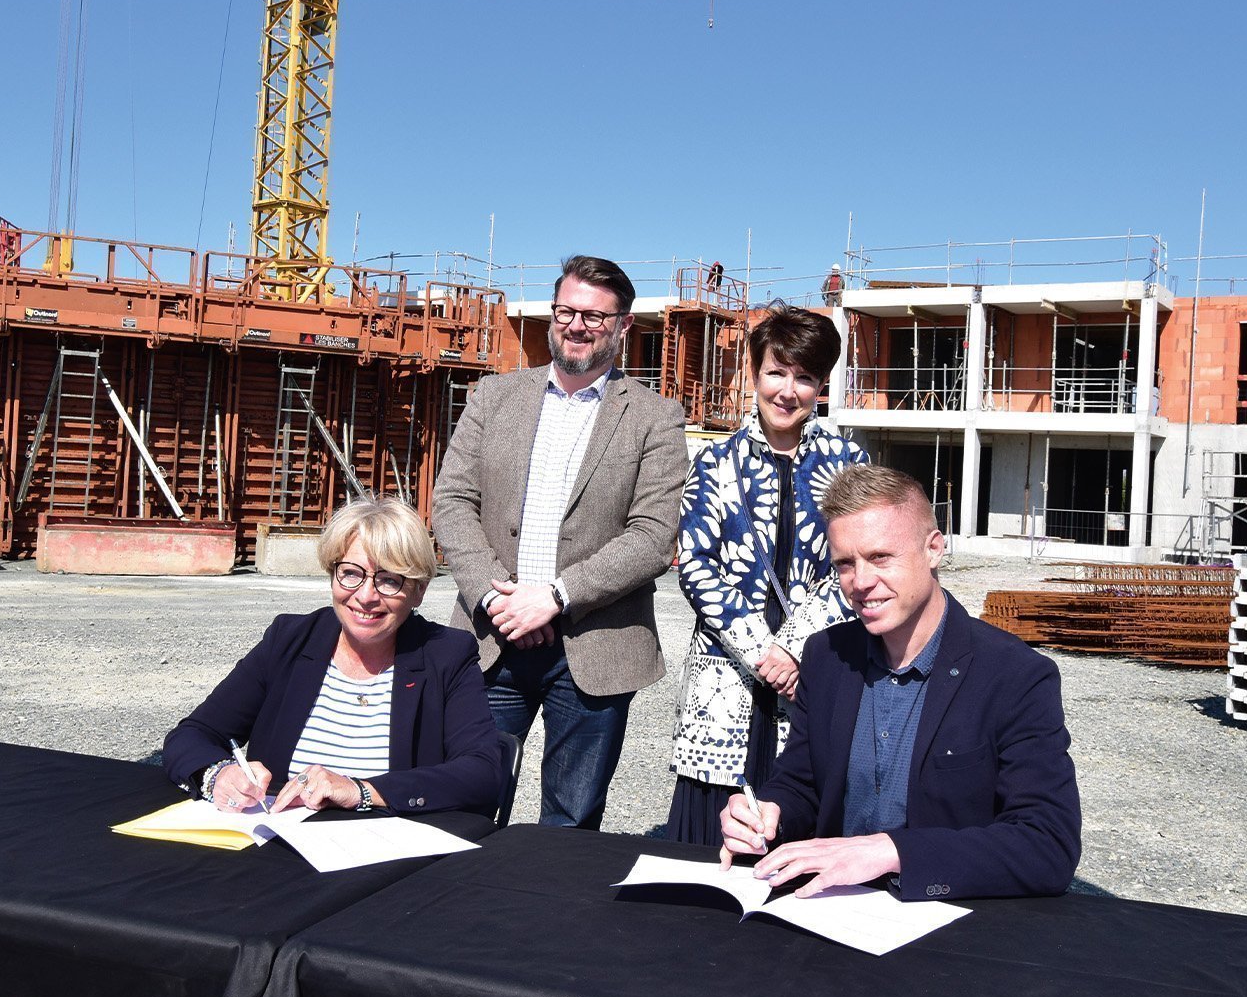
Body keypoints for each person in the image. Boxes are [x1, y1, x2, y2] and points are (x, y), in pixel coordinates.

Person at [720, 464, 1080, 900]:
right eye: (845, 564)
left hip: (951, 933)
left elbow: (1048, 844)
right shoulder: (826, 656)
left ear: (933, 550)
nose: (862, 582)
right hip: (826, 915)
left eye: (880, 557)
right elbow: (803, 783)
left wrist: (893, 851)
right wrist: (769, 812)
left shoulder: (1014, 675)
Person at [432, 255, 688, 829]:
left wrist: (554, 595)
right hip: (490, 639)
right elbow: (451, 501)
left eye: (594, 317)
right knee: (463, 806)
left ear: (623, 326)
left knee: (571, 825)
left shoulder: (655, 418)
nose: (576, 326)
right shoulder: (493, 398)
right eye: (566, 311)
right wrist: (497, 598)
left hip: (595, 650)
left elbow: (652, 536)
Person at [666, 306, 868, 845]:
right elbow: (697, 565)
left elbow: (855, 564)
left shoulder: (847, 462)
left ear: (821, 385)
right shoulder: (714, 461)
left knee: (796, 811)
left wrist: (793, 651)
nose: (788, 390)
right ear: (754, 373)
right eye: (777, 372)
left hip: (814, 666)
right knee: (710, 843)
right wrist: (762, 652)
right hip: (726, 672)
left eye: (804, 377)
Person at [162, 497, 503, 816]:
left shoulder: (446, 655)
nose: (366, 596)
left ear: (418, 591)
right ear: (332, 573)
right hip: (278, 849)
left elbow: (482, 774)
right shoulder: (290, 642)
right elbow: (191, 736)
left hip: (389, 861)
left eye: (389, 580)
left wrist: (361, 791)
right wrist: (220, 774)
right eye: (351, 573)